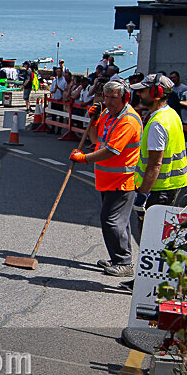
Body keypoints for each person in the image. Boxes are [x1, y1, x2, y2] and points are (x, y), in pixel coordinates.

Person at [69, 80, 142, 277]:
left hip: (122, 180)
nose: (108, 102)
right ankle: (119, 257)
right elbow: (96, 140)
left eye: (113, 98)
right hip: (107, 178)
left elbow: (111, 151)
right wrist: (93, 121)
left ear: (125, 98)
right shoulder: (108, 115)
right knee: (119, 221)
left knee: (111, 220)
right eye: (106, 97)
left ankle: (124, 263)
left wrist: (83, 158)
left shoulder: (128, 120)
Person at [131, 73, 187, 213]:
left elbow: (154, 164)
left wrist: (143, 195)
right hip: (172, 186)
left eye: (143, 90)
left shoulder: (157, 123)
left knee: (148, 233)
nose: (138, 94)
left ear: (156, 92)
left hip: (157, 190)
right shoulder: (172, 114)